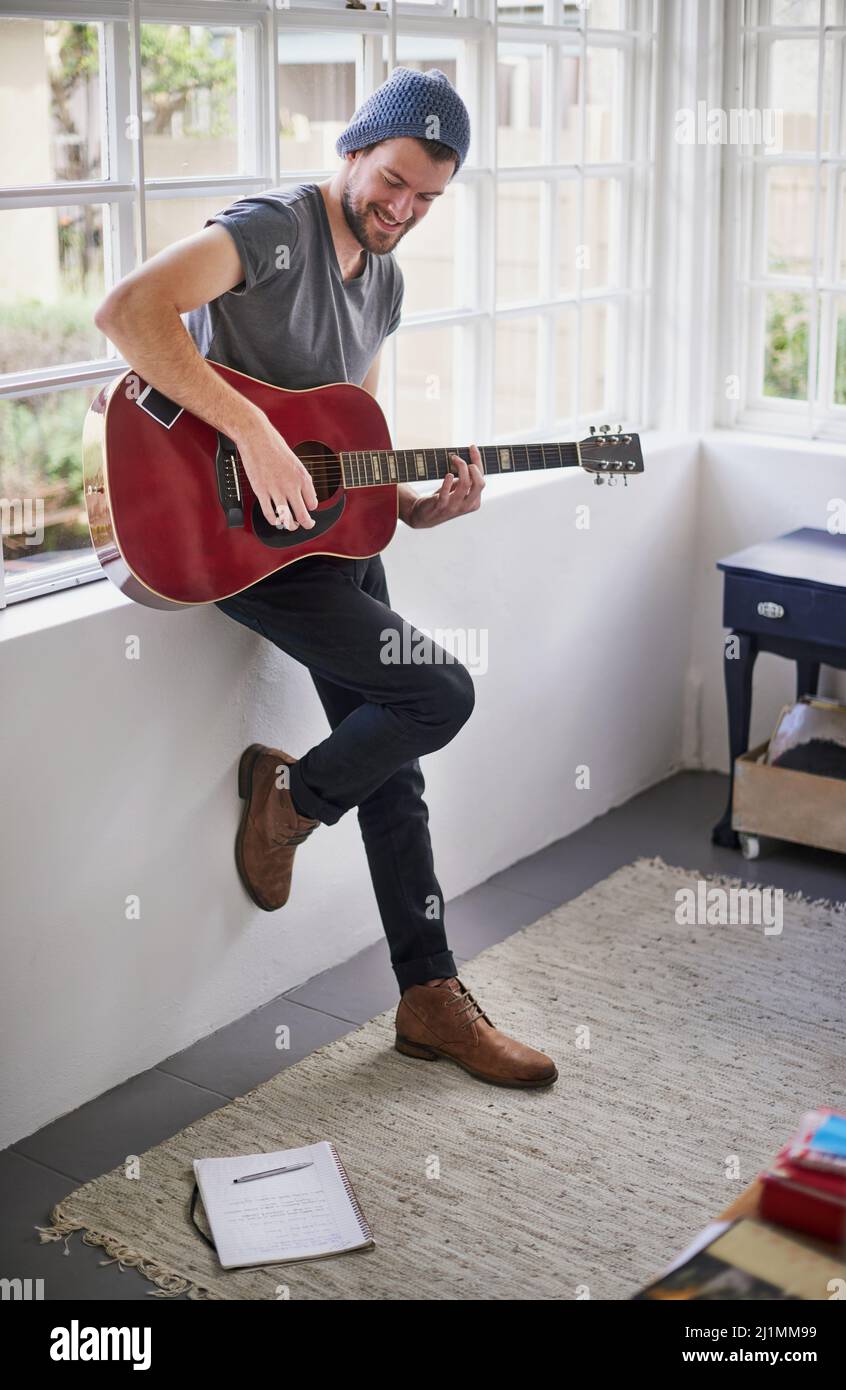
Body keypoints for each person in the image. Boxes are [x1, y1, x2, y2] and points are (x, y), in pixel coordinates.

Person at [94, 66, 557, 1089]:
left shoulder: (384, 283)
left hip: (316, 539)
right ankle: (290, 797)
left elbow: (344, 452)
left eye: (427, 199)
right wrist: (250, 430)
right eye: (392, 181)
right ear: (354, 150)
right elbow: (129, 312)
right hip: (218, 534)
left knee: (401, 759)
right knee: (441, 690)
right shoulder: (272, 228)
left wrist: (421, 507)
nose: (403, 209)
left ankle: (429, 995)